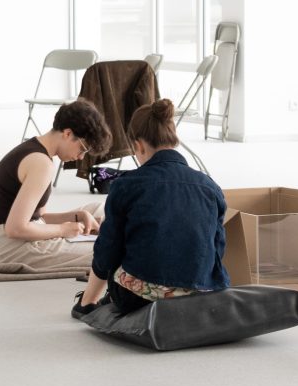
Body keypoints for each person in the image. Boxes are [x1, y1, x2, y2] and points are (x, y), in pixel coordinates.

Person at [82, 99, 230, 314]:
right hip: (203, 296)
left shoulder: (126, 185)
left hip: (138, 299)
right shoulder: (210, 187)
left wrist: (87, 303)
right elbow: (217, 250)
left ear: (139, 145)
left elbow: (107, 252)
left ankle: (92, 300)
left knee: (114, 239)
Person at [0, 100, 114, 273]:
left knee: (97, 209)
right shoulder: (41, 164)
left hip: (16, 238)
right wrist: (62, 230)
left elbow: (39, 217)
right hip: (13, 249)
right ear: (67, 133)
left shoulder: (36, 150)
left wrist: (79, 216)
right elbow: (15, 229)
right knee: (109, 252)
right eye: (83, 149)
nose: (81, 157)